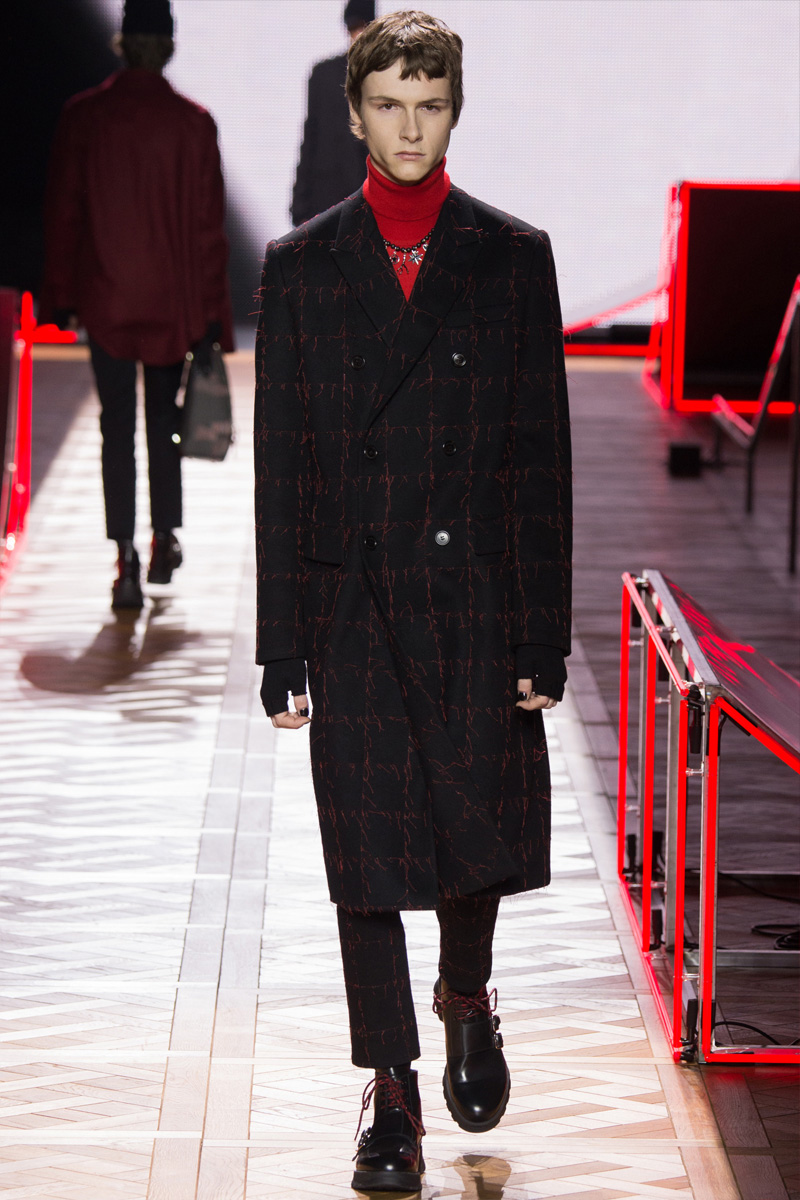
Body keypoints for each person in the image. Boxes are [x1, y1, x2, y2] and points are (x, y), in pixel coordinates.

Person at [255, 10, 571, 1194]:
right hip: (350, 602)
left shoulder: (510, 257)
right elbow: (282, 464)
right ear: (353, 114)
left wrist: (540, 630)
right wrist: (280, 640)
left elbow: (537, 458)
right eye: (386, 104)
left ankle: (465, 991)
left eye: (427, 105)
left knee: (468, 833)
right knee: (366, 854)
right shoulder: (301, 267)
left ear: (453, 112)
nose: (407, 127)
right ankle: (390, 1088)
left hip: (473, 595)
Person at [39, 0, 234, 610]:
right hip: (169, 302)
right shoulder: (192, 123)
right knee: (163, 422)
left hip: (107, 296)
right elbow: (207, 230)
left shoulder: (85, 117)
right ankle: (165, 537)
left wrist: (61, 297)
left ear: (122, 42)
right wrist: (212, 314)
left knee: (116, 425)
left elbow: (65, 215)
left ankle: (124, 557)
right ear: (169, 46)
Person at [290, 0, 374, 227]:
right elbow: (311, 138)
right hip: (325, 201)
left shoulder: (384, 79)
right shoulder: (323, 75)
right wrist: (300, 206)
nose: (359, 34)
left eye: (365, 26)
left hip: (365, 203)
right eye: (355, 26)